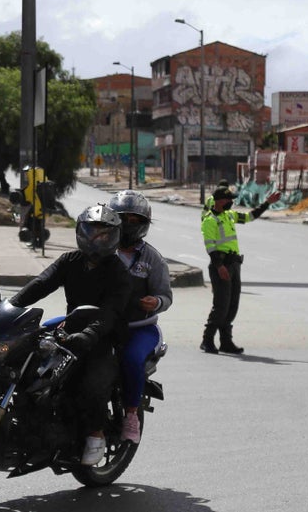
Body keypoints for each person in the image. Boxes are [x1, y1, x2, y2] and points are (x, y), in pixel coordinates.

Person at [9, 204, 132, 467]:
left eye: (104, 234)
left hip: (103, 337)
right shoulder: (70, 261)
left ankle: (96, 434)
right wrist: (10, 306)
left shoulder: (118, 272)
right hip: (70, 330)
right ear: (80, 232)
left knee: (91, 383)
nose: (96, 239)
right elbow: (41, 283)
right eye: (91, 232)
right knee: (28, 367)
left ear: (114, 237)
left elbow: (110, 312)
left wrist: (90, 334)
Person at [108, 190, 173, 445]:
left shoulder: (152, 258)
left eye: (135, 220)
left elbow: (165, 296)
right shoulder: (100, 249)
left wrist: (156, 302)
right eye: (123, 219)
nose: (128, 225)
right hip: (102, 325)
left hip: (140, 328)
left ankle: (131, 415)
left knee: (132, 359)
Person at [200, 185, 279, 354]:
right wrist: (219, 266)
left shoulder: (229, 215)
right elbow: (210, 247)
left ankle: (226, 341)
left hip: (234, 264)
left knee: (232, 305)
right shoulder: (210, 220)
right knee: (221, 305)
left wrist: (267, 203)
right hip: (221, 266)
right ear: (220, 201)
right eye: (229, 199)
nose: (231, 202)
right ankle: (207, 340)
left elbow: (250, 216)